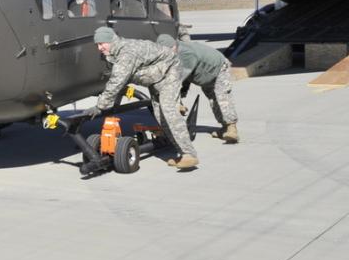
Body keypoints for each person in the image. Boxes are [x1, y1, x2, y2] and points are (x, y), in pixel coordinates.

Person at [86, 25, 198, 170]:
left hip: (169, 72)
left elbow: (117, 81)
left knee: (168, 111)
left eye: (101, 44)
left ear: (111, 41)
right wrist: (114, 105)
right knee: (160, 116)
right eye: (97, 45)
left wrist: (100, 106)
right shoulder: (114, 52)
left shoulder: (126, 53)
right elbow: (120, 81)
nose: (99, 48)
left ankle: (189, 154)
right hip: (156, 76)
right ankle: (180, 151)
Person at [157, 34, 240, 143]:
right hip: (205, 74)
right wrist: (180, 97)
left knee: (222, 97)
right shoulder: (173, 53)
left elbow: (178, 79)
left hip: (218, 68)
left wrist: (176, 100)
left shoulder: (186, 53)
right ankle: (224, 128)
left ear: (174, 46)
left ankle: (232, 129)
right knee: (213, 101)